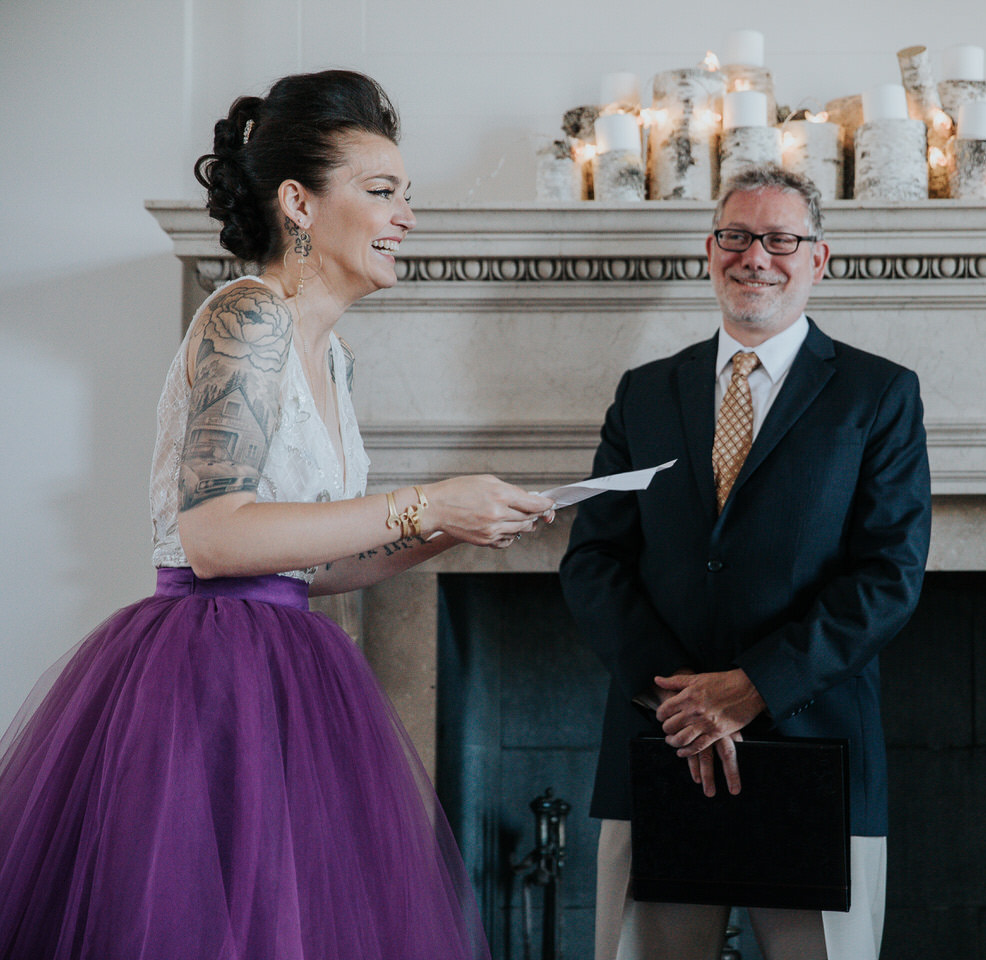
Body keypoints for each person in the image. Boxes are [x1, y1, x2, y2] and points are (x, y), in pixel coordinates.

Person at [0, 70, 554, 959]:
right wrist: (425, 500)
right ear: (299, 203)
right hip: (209, 677)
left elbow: (312, 566)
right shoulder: (249, 316)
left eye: (405, 195)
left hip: (288, 668)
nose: (407, 217)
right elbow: (215, 537)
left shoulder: (332, 357)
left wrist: (449, 527)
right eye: (383, 192)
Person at [559, 165, 931, 960]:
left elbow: (889, 577)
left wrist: (755, 687)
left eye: (780, 240)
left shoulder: (878, 395)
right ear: (710, 249)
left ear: (818, 258)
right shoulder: (644, 393)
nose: (755, 256)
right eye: (736, 236)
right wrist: (684, 704)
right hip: (660, 746)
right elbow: (594, 560)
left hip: (817, 749)